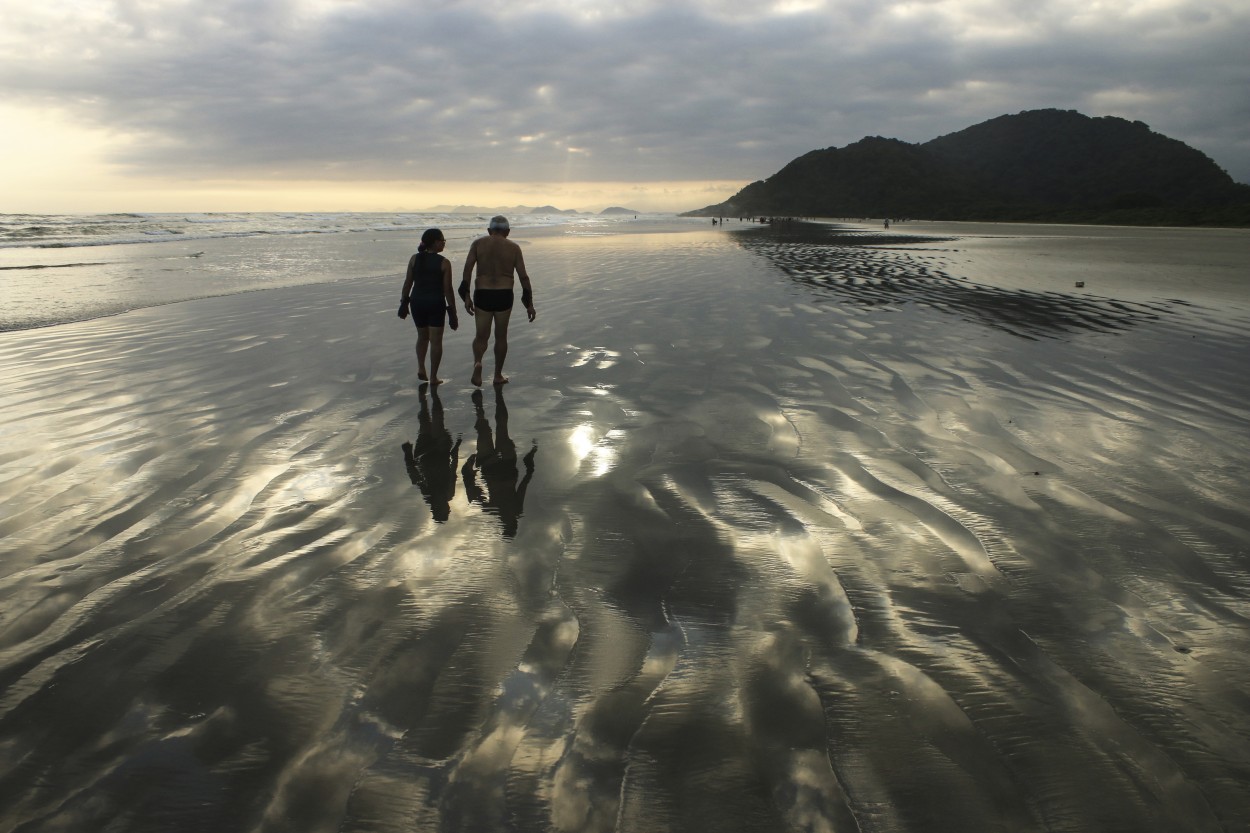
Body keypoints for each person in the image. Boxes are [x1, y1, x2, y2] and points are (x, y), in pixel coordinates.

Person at [458, 216, 535, 387]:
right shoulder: (514, 248)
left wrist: (467, 296)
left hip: (483, 294)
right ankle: (497, 375)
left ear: (488, 230)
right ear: (508, 232)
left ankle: (478, 362)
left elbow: (467, 271)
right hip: (504, 295)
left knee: (481, 336)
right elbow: (523, 276)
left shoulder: (478, 244)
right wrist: (529, 304)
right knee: (501, 336)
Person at [398, 228, 458, 384]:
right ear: (435, 242)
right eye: (442, 240)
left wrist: (404, 303)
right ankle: (433, 377)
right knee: (436, 341)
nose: (444, 243)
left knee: (422, 337)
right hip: (435, 304)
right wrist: (453, 312)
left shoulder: (414, 259)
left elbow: (407, 284)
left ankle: (421, 368)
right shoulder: (444, 262)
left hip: (416, 303)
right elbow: (448, 290)